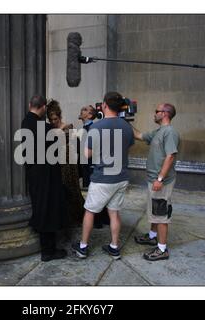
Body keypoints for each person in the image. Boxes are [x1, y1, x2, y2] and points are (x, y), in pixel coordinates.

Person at [72, 92, 134, 260]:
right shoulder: (127, 126)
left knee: (90, 211)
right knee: (114, 213)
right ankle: (114, 247)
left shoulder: (97, 127)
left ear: (105, 105)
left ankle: (83, 247)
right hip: (121, 177)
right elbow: (127, 147)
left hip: (102, 178)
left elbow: (87, 154)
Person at [21, 95, 69, 262]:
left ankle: (48, 249)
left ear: (29, 105)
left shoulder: (25, 122)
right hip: (46, 175)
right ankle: (48, 251)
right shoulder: (43, 126)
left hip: (33, 174)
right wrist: (62, 128)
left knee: (41, 208)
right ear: (42, 108)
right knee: (48, 210)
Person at [132, 103, 179, 261]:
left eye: (156, 111)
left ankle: (162, 249)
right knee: (154, 211)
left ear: (165, 114)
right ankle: (152, 236)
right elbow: (139, 136)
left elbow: (170, 156)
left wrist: (160, 178)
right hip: (154, 179)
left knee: (160, 214)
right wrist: (124, 120)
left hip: (161, 181)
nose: (154, 114)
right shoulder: (158, 132)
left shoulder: (170, 132)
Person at [46, 100, 85, 226]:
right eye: (50, 120)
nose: (53, 122)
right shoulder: (50, 129)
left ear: (59, 116)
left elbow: (75, 145)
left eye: (55, 119)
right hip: (56, 162)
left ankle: (77, 218)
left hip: (69, 164)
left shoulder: (68, 127)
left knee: (71, 190)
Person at [78, 105, 110, 229]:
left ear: (90, 115)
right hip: (87, 165)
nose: (82, 110)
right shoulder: (87, 128)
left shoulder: (92, 128)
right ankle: (103, 219)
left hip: (93, 166)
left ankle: (98, 220)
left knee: (95, 193)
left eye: (85, 109)